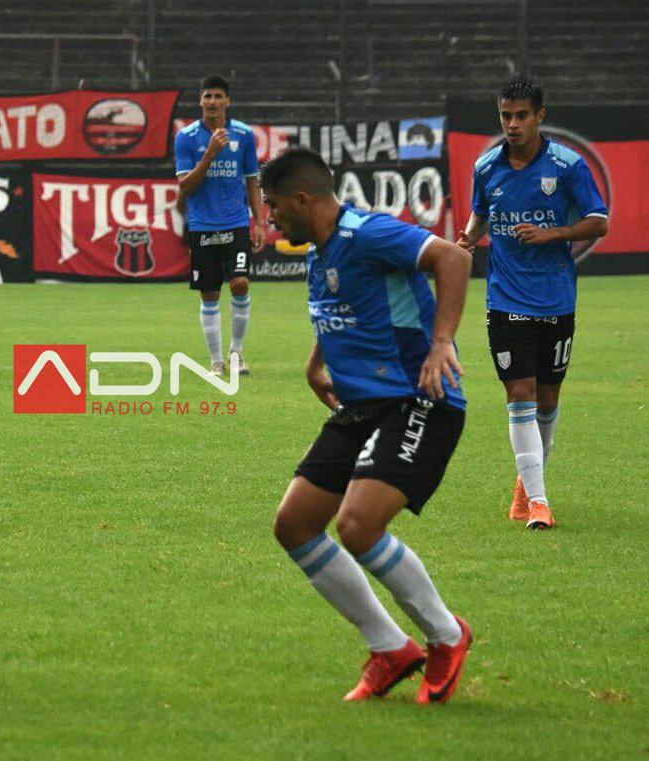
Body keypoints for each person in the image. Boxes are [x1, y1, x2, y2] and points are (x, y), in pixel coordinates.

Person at [262, 148, 473, 703]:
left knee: (357, 526)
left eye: (274, 206)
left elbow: (453, 257)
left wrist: (442, 342)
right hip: (359, 406)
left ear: (302, 200)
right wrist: (315, 363)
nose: (270, 218)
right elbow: (341, 307)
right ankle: (390, 647)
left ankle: (447, 636)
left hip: (418, 398)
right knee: (295, 524)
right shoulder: (322, 250)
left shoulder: (368, 233)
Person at [457, 79, 608, 530]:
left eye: (522, 115)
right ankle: (539, 502)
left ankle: (526, 484)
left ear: (540, 116)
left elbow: (598, 221)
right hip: (505, 298)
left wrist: (553, 234)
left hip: (556, 298)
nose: (513, 123)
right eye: (506, 115)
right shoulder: (486, 167)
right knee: (519, 393)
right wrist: (468, 239)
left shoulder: (567, 165)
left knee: (547, 398)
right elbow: (480, 215)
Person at [174, 75, 266, 375]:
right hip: (202, 225)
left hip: (235, 222)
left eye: (217, 96)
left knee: (240, 283)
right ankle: (216, 360)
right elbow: (185, 185)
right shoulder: (186, 137)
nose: (212, 102)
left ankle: (237, 352)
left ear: (227, 101)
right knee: (210, 292)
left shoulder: (244, 135)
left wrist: (259, 222)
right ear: (200, 101)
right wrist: (210, 154)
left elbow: (252, 181)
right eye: (207, 96)